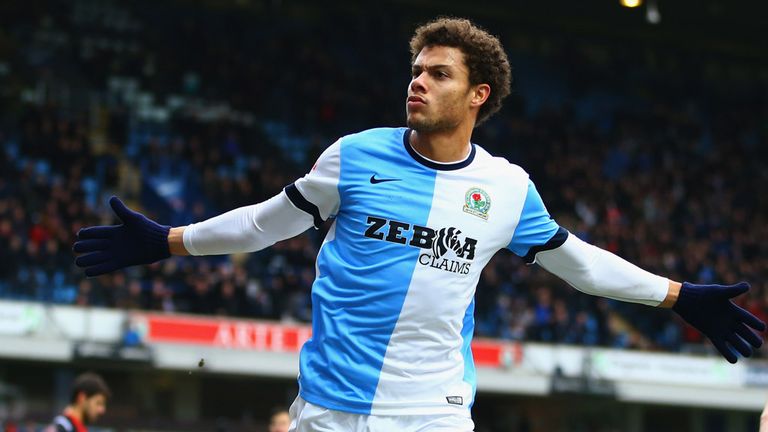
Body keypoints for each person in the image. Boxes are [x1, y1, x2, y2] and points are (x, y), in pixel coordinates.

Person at [73, 17, 765, 432]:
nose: (419, 82)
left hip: (432, 410)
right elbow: (264, 224)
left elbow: (577, 261)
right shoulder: (352, 156)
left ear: (478, 94)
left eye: (438, 73)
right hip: (329, 407)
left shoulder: (506, 188)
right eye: (416, 70)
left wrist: (679, 296)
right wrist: (169, 241)